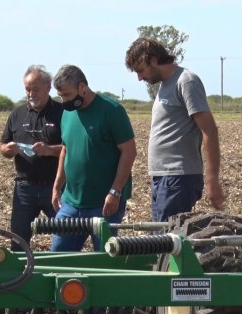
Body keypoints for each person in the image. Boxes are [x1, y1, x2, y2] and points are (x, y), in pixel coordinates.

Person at [125, 37, 225, 222]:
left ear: (153, 59)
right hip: (163, 177)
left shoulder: (186, 81)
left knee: (167, 241)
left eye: (141, 70)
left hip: (178, 176)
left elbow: (209, 131)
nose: (139, 78)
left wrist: (212, 180)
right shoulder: (164, 86)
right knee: (161, 239)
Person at [51, 64, 137, 252]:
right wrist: (57, 186)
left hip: (104, 204)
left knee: (103, 261)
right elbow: (65, 150)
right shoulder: (68, 113)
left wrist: (115, 192)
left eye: (67, 94)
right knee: (58, 257)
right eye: (60, 96)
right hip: (71, 202)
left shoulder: (111, 110)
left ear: (82, 87)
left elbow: (129, 152)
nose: (64, 100)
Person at [0, 65, 63, 251]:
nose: (31, 93)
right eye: (28, 89)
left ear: (48, 87)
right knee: (18, 239)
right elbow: (3, 145)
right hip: (24, 187)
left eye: (36, 89)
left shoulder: (62, 113)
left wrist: (50, 150)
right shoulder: (17, 114)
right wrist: (7, 150)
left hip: (55, 187)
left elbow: (74, 148)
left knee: (63, 237)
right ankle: (20, 277)